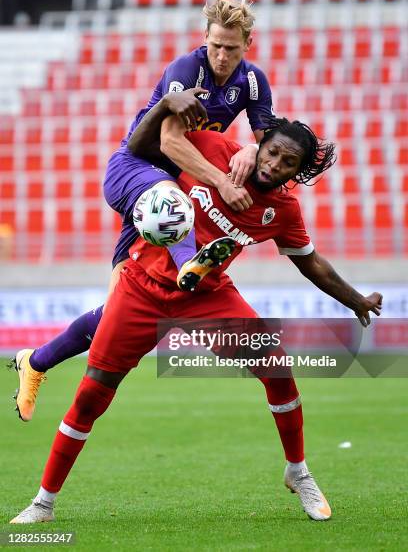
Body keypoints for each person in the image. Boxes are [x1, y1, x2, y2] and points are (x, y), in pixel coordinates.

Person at [10, 117, 383, 525]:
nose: (275, 164)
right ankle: (43, 503)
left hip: (207, 296)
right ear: (259, 144)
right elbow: (154, 144)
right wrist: (168, 107)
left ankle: (298, 471)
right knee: (92, 394)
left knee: (276, 367)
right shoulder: (212, 148)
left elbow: (310, 262)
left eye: (288, 162)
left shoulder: (282, 210)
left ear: (298, 173)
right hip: (141, 287)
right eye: (272, 151)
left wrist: (355, 299)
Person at [13, 0, 275, 421]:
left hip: (163, 194)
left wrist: (251, 145)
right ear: (205, 40)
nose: (222, 56)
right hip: (134, 170)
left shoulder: (252, 82)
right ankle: (190, 263)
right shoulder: (186, 71)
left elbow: (270, 139)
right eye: (215, 46)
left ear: (248, 43)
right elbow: (170, 142)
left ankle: (35, 362)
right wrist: (224, 182)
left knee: (114, 311)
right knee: (173, 200)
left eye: (232, 47)